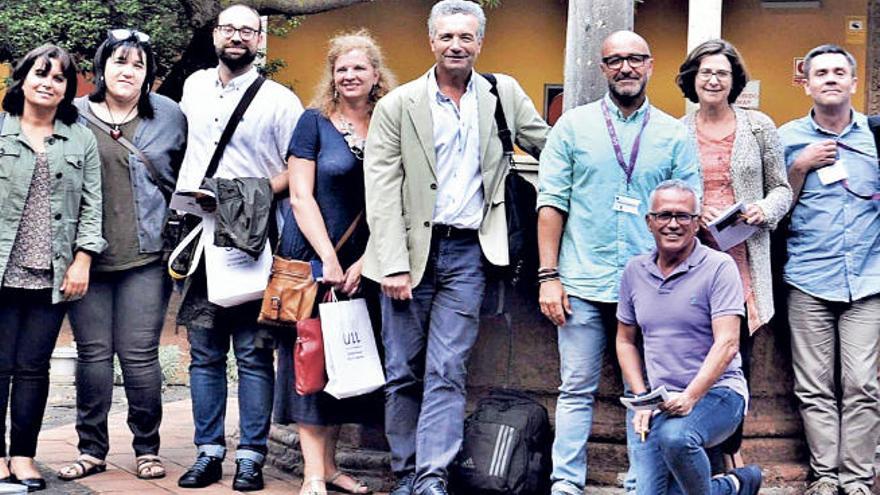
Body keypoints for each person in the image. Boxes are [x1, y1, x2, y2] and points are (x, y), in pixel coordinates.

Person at [363, 1, 549, 494]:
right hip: (408, 255)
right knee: (403, 372)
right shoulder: (398, 105)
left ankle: (431, 477)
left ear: (480, 43)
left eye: (466, 37)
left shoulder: (500, 93)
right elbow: (381, 190)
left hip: (469, 252)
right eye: (447, 37)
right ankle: (405, 472)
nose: (456, 45)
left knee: (448, 370)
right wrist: (394, 265)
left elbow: (546, 143)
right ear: (432, 42)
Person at [536, 30, 700, 495]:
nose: (626, 68)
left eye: (635, 59)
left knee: (644, 391)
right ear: (602, 68)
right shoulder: (572, 126)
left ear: (650, 65)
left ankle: (639, 484)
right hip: (582, 279)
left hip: (651, 286)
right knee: (575, 388)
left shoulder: (672, 134)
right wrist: (549, 276)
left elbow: (689, 211)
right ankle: (566, 484)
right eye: (615, 60)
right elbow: (551, 203)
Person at [174, 4, 303, 492]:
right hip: (200, 234)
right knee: (204, 351)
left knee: (252, 353)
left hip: (252, 239)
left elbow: (296, 170)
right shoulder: (194, 87)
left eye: (247, 31)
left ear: (259, 40)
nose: (236, 37)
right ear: (215, 35)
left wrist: (238, 197)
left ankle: (251, 454)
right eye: (229, 28)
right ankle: (208, 452)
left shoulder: (280, 100)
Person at [55, 30, 186, 482]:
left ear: (148, 74)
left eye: (137, 65)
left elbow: (186, 172)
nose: (127, 71)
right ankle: (91, 448)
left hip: (145, 256)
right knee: (92, 355)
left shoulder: (169, 116)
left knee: (139, 355)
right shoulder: (71, 115)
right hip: (83, 257)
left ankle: (147, 447)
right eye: (118, 62)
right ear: (100, 68)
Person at [272, 29, 396, 495]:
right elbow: (301, 196)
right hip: (314, 259)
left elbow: (395, 199)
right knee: (308, 361)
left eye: (358, 67)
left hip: (365, 262)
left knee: (348, 360)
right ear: (332, 76)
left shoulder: (389, 120)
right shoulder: (313, 121)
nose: (349, 75)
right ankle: (312, 474)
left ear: (376, 74)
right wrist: (329, 258)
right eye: (341, 68)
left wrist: (365, 260)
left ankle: (333, 465)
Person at [676, 39, 791, 461]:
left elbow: (781, 187)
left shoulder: (759, 126)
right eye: (705, 72)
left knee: (735, 355)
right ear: (692, 79)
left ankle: (731, 455)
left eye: (722, 73)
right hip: (692, 258)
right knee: (690, 352)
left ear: (734, 81)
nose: (713, 79)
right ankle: (695, 450)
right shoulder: (677, 129)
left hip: (743, 259)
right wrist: (693, 211)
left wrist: (764, 209)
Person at [0, 44, 105, 492]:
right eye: (40, 73)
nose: (48, 83)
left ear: (67, 89)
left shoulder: (79, 139)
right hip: (3, 268)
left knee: (32, 366)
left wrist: (82, 258)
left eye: (59, 77)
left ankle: (23, 455)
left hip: (52, 271)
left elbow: (92, 206)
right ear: (22, 79)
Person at [616, 179, 762, 495]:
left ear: (697, 224)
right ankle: (735, 484)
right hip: (662, 403)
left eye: (683, 216)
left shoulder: (719, 267)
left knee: (676, 437)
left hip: (719, 393)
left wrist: (692, 396)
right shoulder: (634, 271)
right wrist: (642, 400)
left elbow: (728, 343)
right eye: (664, 215)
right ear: (649, 222)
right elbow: (625, 340)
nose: (673, 224)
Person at [777, 44, 880, 495]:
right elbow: (776, 210)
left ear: (854, 83)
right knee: (813, 386)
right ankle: (824, 477)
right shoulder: (786, 139)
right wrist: (798, 168)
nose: (831, 78)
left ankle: (856, 480)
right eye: (821, 73)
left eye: (840, 71)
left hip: (869, 278)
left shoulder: (876, 139)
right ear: (807, 83)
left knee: (862, 384)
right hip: (808, 277)